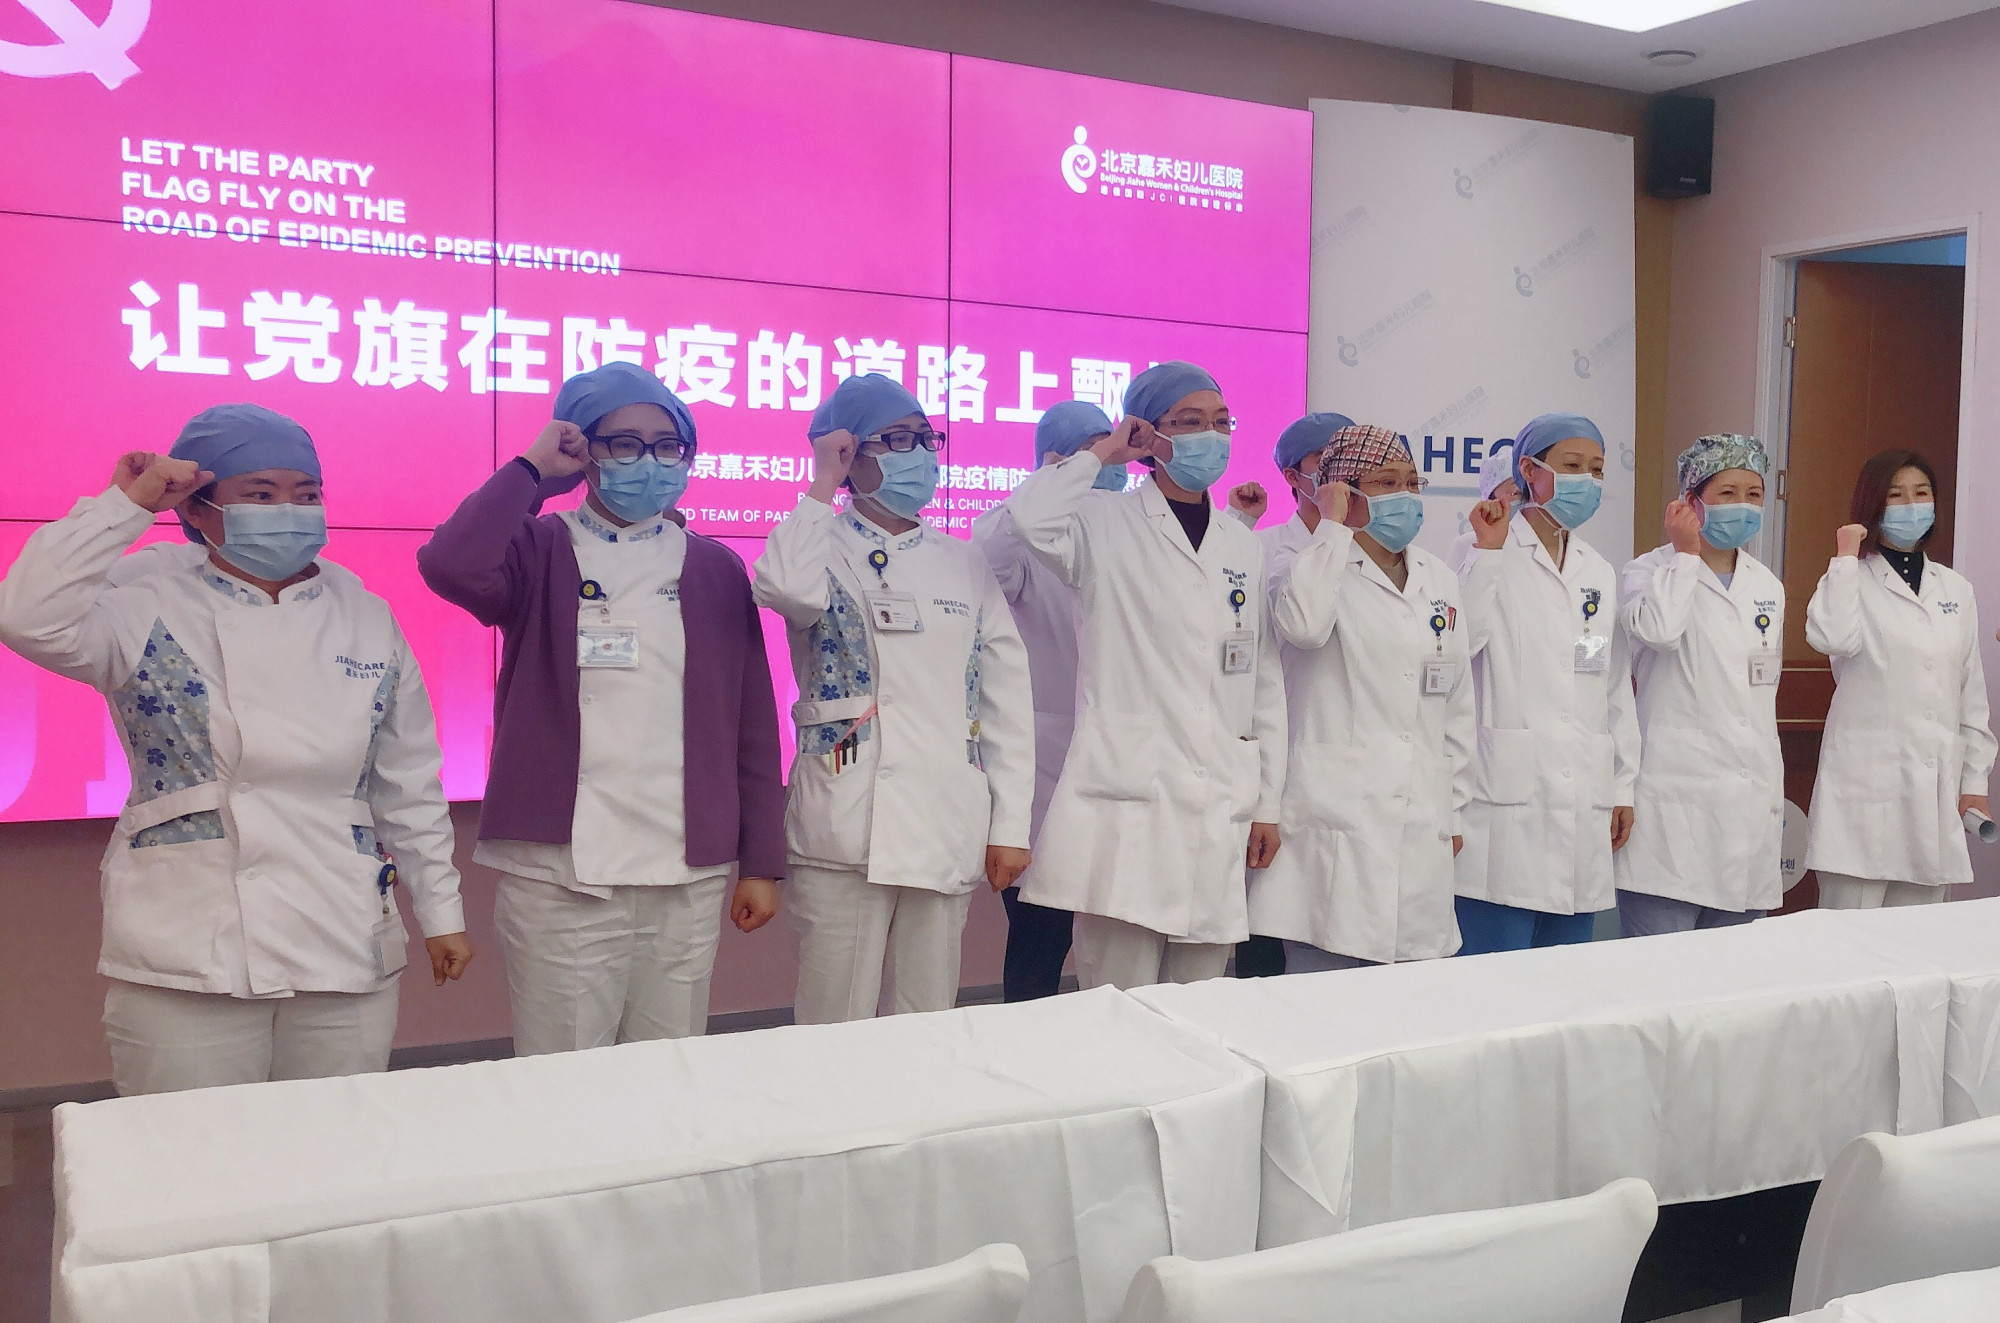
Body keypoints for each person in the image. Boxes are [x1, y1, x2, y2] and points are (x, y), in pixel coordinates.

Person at [0, 405, 473, 1095]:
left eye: (306, 494)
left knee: (333, 1142)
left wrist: (442, 912)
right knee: (188, 1148)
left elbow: (408, 785)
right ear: (198, 508)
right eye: (260, 493)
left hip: (340, 929)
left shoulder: (365, 616)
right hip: (190, 944)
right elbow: (25, 616)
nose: (289, 511)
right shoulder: (143, 600)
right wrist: (125, 508)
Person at [418, 361, 785, 1055]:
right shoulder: (538, 547)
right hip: (561, 876)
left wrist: (761, 862)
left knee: (670, 1068)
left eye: (667, 445)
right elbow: (450, 564)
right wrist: (531, 472)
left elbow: (752, 725)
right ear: (584, 451)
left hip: (686, 872)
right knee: (565, 1077)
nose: (649, 461)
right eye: (624, 443)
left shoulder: (714, 566)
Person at [752, 373, 1034, 1022]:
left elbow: (1005, 701)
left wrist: (1010, 827)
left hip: (943, 816)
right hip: (848, 823)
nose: (922, 455)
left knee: (927, 1017)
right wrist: (822, 483)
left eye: (927, 439)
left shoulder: (963, 562)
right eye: (899, 440)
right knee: (832, 1020)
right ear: (851, 454)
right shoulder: (816, 542)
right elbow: (784, 589)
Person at [1008, 360, 1287, 989]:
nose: (1210, 436)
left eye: (1221, 422)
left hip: (1218, 801)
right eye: (1189, 422)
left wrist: (1267, 804)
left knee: (1204, 1003)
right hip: (1127, 806)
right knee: (1119, 1004)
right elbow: (1029, 518)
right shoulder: (1100, 522)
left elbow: (1263, 683)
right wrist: (1103, 452)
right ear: (1147, 432)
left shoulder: (1241, 543)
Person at [1249, 424, 1473, 970]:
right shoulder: (1301, 565)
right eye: (1386, 482)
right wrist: (1331, 528)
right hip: (1332, 816)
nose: (1405, 495)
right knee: (1322, 992)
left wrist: (1454, 810)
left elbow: (1456, 704)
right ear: (1343, 491)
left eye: (1411, 482)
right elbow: (1304, 627)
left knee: (1412, 996)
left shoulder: (1438, 578)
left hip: (1420, 817)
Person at [1455, 411, 1640, 953]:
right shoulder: (1479, 549)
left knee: (1565, 974)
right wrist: (1487, 552)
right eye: (1573, 465)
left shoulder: (1596, 569)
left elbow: (1609, 683)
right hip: (1502, 800)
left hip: (1582, 800)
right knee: (1494, 968)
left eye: (1597, 469)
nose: (1588, 480)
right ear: (1529, 471)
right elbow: (1460, 642)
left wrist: (1621, 786)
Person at [969, 399, 1118, 1000]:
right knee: (1039, 934)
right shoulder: (1019, 538)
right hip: (1043, 766)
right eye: (1093, 452)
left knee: (1117, 933)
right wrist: (1053, 483)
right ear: (1053, 464)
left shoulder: (1124, 531)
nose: (1107, 465)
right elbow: (994, 551)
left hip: (1116, 756)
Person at [1804, 449, 1995, 908]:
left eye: (1921, 493)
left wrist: (1975, 783)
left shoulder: (1955, 589)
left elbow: (1970, 695)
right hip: (1863, 801)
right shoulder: (1850, 578)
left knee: (1918, 946)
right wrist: (1845, 557)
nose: (1911, 505)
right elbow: (1832, 637)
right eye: (1896, 495)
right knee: (1849, 942)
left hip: (1932, 803)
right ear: (1873, 504)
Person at [1616, 434, 1785, 935]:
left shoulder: (1766, 585)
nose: (1743, 506)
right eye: (1727, 493)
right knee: (1660, 971)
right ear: (1690, 501)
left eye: (1754, 494)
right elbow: (1660, 632)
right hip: (1673, 809)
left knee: (1734, 974)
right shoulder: (1647, 571)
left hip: (1747, 808)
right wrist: (1685, 555)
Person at [1445, 438, 1518, 573]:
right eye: (1518, 492)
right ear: (1491, 498)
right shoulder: (1467, 544)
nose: (1527, 499)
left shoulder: (1548, 541)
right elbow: (1453, 586)